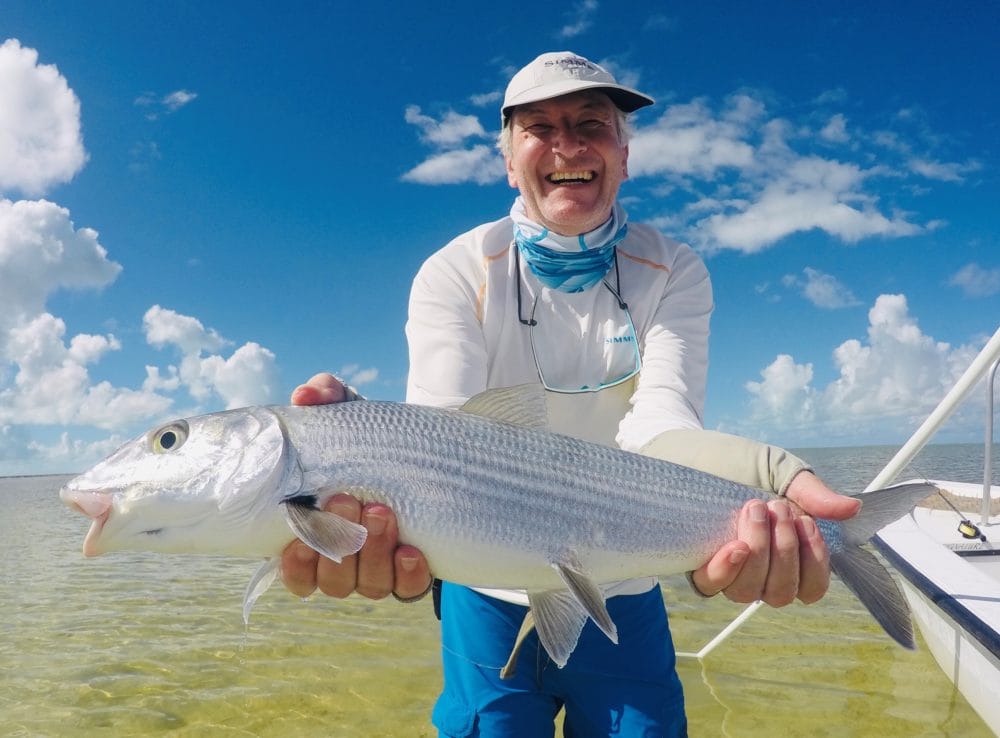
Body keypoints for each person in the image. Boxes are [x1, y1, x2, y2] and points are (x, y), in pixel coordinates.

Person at [281, 52, 860, 737]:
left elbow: (658, 427)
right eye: (540, 127)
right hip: (484, 589)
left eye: (592, 124)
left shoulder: (674, 270)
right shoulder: (455, 271)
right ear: (508, 160)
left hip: (622, 585)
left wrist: (762, 475)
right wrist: (357, 446)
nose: (569, 145)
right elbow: (442, 437)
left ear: (623, 153)